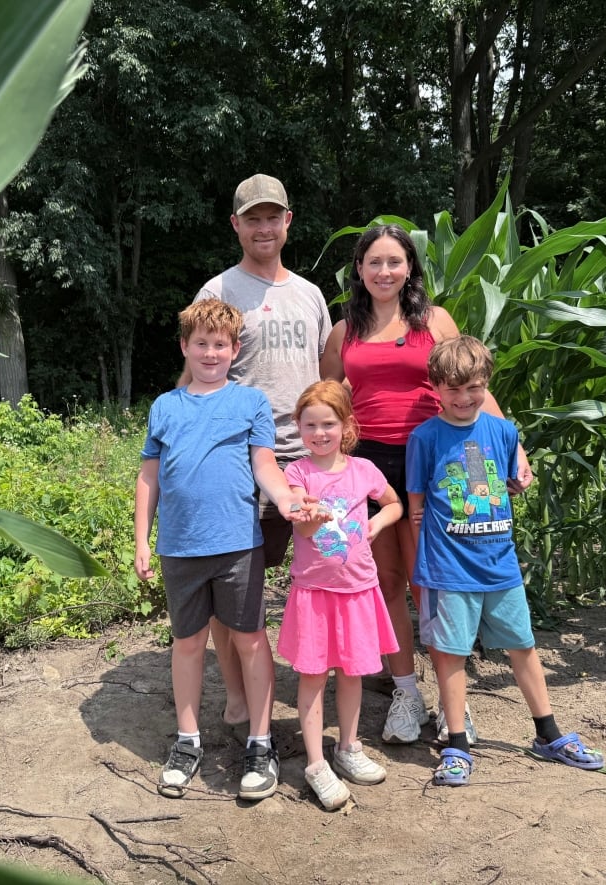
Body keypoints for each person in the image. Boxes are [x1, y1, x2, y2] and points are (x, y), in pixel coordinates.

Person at [320, 224, 533, 744]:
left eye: (394, 261)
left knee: (431, 583)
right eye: (374, 262)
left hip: (439, 464)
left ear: (410, 267)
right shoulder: (343, 330)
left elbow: (474, 386)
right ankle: (405, 693)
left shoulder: (434, 321)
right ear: (360, 269)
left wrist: (514, 448)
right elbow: (330, 397)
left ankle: (449, 704)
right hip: (370, 465)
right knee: (388, 579)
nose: (385, 271)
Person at [407, 336, 605, 786]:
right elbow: (417, 506)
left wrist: (517, 480)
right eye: (453, 389)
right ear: (436, 387)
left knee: (523, 645)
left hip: (500, 563)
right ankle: (456, 742)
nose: (463, 398)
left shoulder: (503, 431)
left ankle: (548, 733)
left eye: (473, 387)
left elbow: (505, 480)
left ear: (487, 384)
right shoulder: (425, 438)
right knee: (452, 654)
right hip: (449, 569)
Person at [135, 299, 309, 801]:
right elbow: (149, 478)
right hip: (179, 549)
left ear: (235, 349)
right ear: (185, 346)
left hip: (237, 545)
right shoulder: (165, 406)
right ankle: (187, 740)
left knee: (251, 639)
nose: (210, 353)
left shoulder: (250, 402)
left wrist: (287, 500)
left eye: (220, 345)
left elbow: (265, 466)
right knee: (188, 643)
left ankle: (261, 741)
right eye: (201, 344)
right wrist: (141, 541)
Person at [186, 173, 333, 727]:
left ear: (288, 221)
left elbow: (325, 378)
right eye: (253, 218)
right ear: (236, 225)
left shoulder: (310, 295)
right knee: (235, 586)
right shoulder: (218, 291)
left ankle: (326, 682)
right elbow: (196, 375)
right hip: (242, 461)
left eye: (273, 217)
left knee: (325, 573)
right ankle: (238, 692)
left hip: (310, 461)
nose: (264, 227)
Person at [277, 381, 401, 810]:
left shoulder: (364, 470)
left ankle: (348, 747)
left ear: (346, 425)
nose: (319, 433)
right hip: (314, 593)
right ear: (298, 427)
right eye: (310, 425)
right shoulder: (296, 474)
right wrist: (311, 515)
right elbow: (301, 521)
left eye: (328, 424)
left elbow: (394, 503)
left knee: (352, 673)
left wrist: (378, 523)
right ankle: (315, 764)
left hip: (358, 591)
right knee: (313, 676)